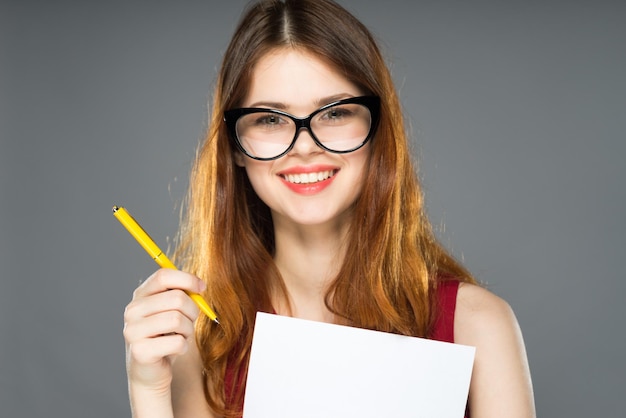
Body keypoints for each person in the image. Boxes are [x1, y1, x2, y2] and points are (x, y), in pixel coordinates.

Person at [122, 0, 536, 417]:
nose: (305, 146)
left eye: (335, 112)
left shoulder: (477, 324)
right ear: (235, 146)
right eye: (269, 119)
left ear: (379, 129)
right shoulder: (200, 336)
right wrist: (148, 390)